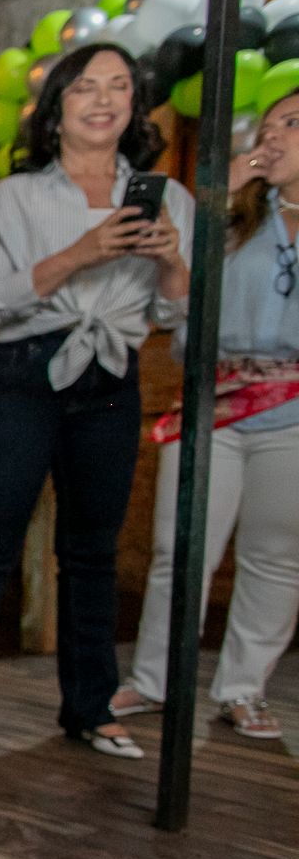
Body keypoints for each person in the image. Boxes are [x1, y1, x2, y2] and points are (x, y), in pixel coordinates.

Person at [0, 42, 190, 758]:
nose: (103, 100)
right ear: (57, 107)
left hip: (110, 374)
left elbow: (174, 316)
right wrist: (83, 251)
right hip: (20, 373)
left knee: (93, 553)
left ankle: (92, 708)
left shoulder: (169, 196)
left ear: (135, 105)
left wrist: (170, 263)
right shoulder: (14, 198)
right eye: (85, 88)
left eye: (119, 87)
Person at [110, 93, 299, 741]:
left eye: (291, 126)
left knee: (276, 555)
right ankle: (156, 679)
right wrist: (219, 202)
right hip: (212, 400)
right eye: (267, 126)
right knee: (180, 546)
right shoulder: (224, 217)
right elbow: (175, 309)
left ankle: (243, 688)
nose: (273, 137)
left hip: (293, 411)